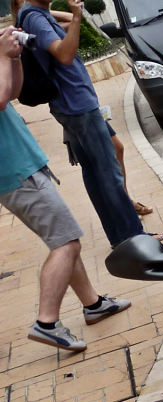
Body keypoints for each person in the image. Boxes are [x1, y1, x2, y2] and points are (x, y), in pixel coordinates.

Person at [1, 27, 131, 352]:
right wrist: (3, 55)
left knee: (63, 237)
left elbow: (13, 92)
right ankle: (47, 322)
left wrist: (15, 59)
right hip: (15, 171)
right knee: (66, 243)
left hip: (24, 165)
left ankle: (93, 304)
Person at [16, 0, 145, 245]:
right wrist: (76, 17)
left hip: (73, 106)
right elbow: (65, 55)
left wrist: (60, 11)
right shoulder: (34, 17)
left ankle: (120, 238)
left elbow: (59, 20)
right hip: (77, 105)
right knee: (109, 173)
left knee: (97, 175)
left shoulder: (36, 14)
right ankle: (133, 237)